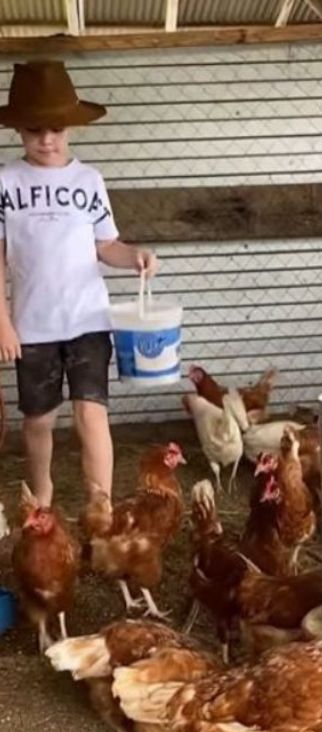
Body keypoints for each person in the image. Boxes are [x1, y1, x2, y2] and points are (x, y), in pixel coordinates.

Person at [0, 61, 159, 507]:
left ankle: (101, 505)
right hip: (33, 324)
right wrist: (3, 321)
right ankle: (43, 494)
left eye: (55, 128)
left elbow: (105, 244)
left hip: (89, 318)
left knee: (92, 414)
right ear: (17, 131)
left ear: (70, 126)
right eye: (34, 131)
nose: (46, 140)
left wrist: (135, 258)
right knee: (39, 419)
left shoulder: (88, 180)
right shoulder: (5, 182)